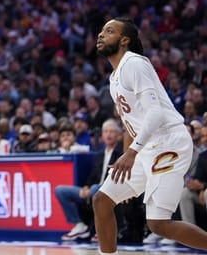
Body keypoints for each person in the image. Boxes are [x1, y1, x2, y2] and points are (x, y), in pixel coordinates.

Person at [93, 17, 207, 254]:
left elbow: (155, 113)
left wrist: (132, 153)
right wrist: (127, 156)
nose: (101, 35)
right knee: (102, 201)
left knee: (158, 224)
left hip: (168, 142)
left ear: (124, 40)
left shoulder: (134, 63)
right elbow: (130, 125)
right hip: (145, 147)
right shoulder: (114, 78)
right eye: (102, 31)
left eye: (109, 31)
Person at [57, 119, 123, 241]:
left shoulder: (122, 154)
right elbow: (92, 177)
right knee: (60, 190)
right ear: (102, 135)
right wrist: (86, 188)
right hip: (94, 189)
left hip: (112, 190)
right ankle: (79, 225)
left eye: (112, 132)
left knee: (95, 189)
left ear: (119, 135)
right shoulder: (98, 155)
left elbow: (117, 178)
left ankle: (104, 228)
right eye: (105, 131)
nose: (108, 135)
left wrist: (92, 188)